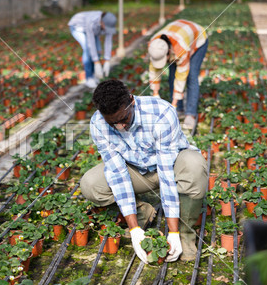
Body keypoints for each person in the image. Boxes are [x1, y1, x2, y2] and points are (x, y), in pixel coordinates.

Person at [80, 79, 207, 263]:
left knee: (194, 165)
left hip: (172, 166)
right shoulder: (98, 124)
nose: (119, 127)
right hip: (136, 172)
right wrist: (134, 231)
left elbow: (166, 174)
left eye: (123, 119)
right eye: (112, 123)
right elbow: (117, 174)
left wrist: (173, 231)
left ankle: (185, 234)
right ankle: (142, 214)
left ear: (131, 101)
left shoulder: (161, 113)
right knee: (91, 185)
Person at [148, 19, 208, 129]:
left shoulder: (181, 49)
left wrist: (173, 104)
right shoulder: (154, 45)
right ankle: (179, 110)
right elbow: (154, 71)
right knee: (171, 76)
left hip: (198, 38)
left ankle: (190, 114)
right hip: (177, 34)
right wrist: (155, 93)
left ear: (168, 53)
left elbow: (181, 77)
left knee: (191, 76)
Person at [68, 11, 117, 89]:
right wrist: (96, 62)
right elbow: (91, 43)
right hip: (77, 26)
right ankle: (89, 78)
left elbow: (108, 42)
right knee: (87, 49)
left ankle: (94, 74)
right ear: (102, 22)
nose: (107, 29)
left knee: (98, 50)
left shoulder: (109, 22)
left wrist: (107, 60)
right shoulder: (91, 22)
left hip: (94, 30)